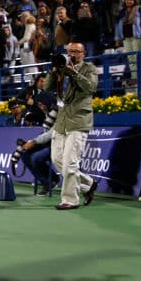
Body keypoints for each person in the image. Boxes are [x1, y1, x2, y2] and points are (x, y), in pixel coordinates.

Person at [43, 42, 99, 210]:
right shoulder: (61, 68)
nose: (72, 54)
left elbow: (91, 88)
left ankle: (70, 200)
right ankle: (88, 184)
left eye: (75, 51)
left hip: (78, 120)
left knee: (70, 164)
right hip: (62, 121)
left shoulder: (89, 68)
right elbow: (46, 87)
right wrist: (54, 71)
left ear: (83, 53)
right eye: (69, 51)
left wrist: (74, 73)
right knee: (57, 159)